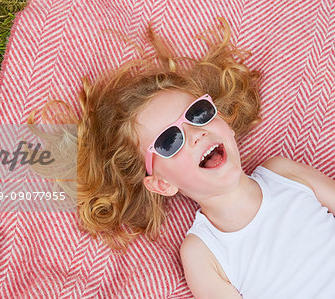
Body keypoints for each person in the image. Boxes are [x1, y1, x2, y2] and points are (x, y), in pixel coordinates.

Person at [33, 17, 335, 298]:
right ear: (162, 184)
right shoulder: (203, 252)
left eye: (197, 114)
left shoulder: (283, 173)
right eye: (169, 140)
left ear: (226, 123)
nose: (195, 134)